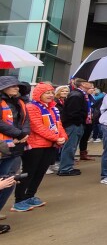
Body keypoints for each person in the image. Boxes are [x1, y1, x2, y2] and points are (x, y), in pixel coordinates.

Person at [14, 82, 66, 211]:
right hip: (35, 145)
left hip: (49, 145)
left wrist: (63, 137)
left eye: (52, 93)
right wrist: (56, 138)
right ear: (39, 94)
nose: (50, 95)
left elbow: (58, 124)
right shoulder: (32, 107)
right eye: (47, 93)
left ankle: (30, 195)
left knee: (40, 172)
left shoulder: (52, 108)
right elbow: (37, 127)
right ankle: (19, 200)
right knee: (29, 172)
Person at [0, 76, 31, 224]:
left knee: (10, 179)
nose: (16, 88)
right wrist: (18, 133)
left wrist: (23, 133)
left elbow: (26, 121)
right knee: (2, 180)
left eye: (17, 86)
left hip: (16, 147)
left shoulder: (20, 102)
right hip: (3, 147)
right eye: (12, 85)